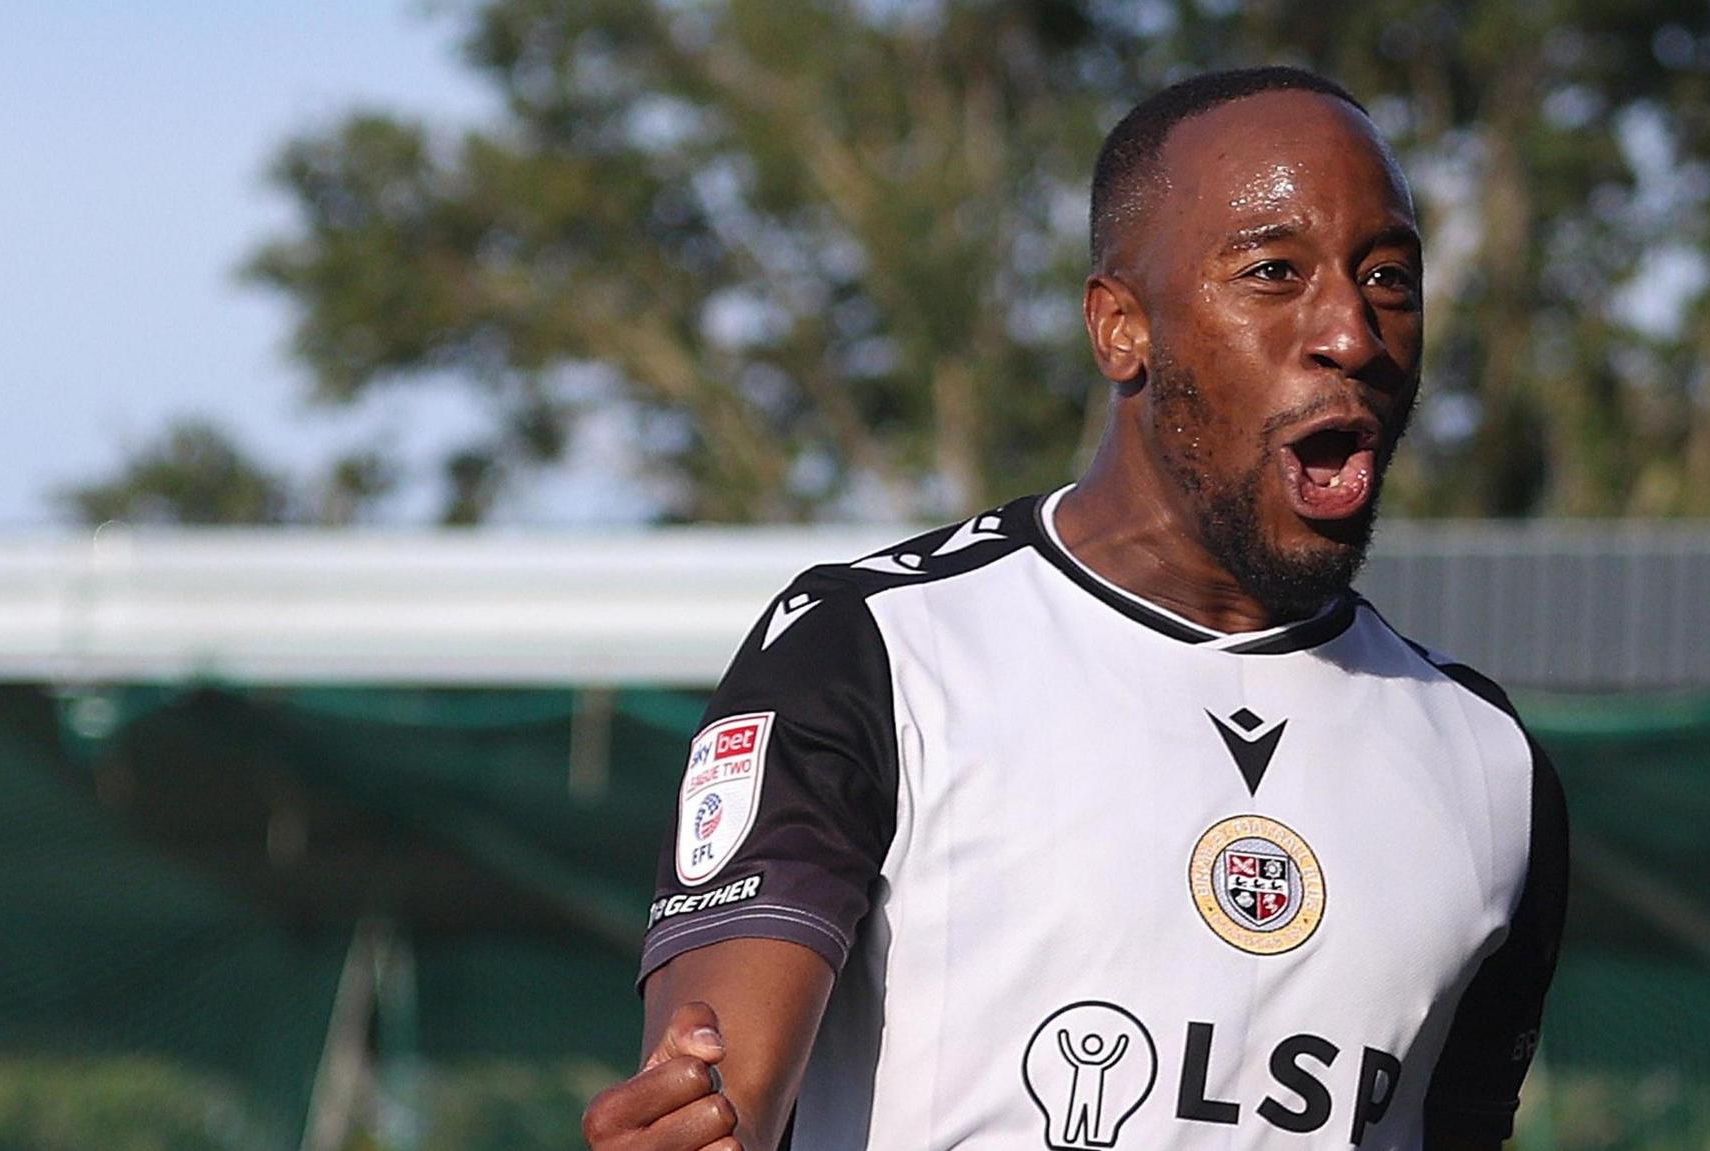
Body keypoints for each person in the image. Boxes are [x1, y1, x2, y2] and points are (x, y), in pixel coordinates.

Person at [582, 65, 1568, 1151]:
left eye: (1387, 276)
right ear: (1119, 329)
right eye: (1274, 271)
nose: (1350, 330)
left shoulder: (1485, 762)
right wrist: (697, 1119)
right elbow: (718, 1084)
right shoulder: (877, 646)